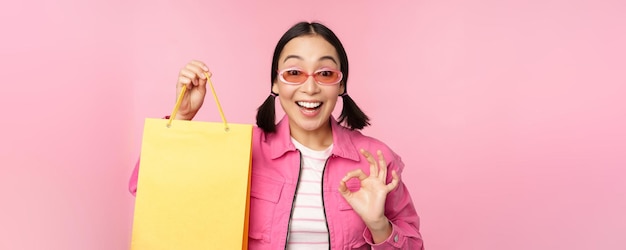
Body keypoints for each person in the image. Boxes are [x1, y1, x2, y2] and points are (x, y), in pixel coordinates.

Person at [129, 21, 424, 249]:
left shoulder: (376, 161)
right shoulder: (243, 149)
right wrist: (182, 118)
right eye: (294, 73)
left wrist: (379, 225)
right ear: (275, 83)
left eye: (325, 73)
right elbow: (151, 194)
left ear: (341, 84)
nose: (310, 88)